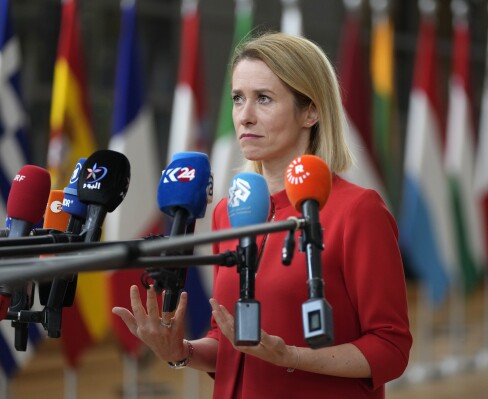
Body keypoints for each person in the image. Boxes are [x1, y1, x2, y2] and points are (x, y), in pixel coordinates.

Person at [113, 31, 412, 398]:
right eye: (238, 99)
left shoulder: (358, 210)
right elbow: (232, 344)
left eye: (264, 99)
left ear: (311, 111)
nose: (245, 116)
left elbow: (391, 349)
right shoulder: (227, 212)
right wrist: (182, 352)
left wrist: (289, 356)